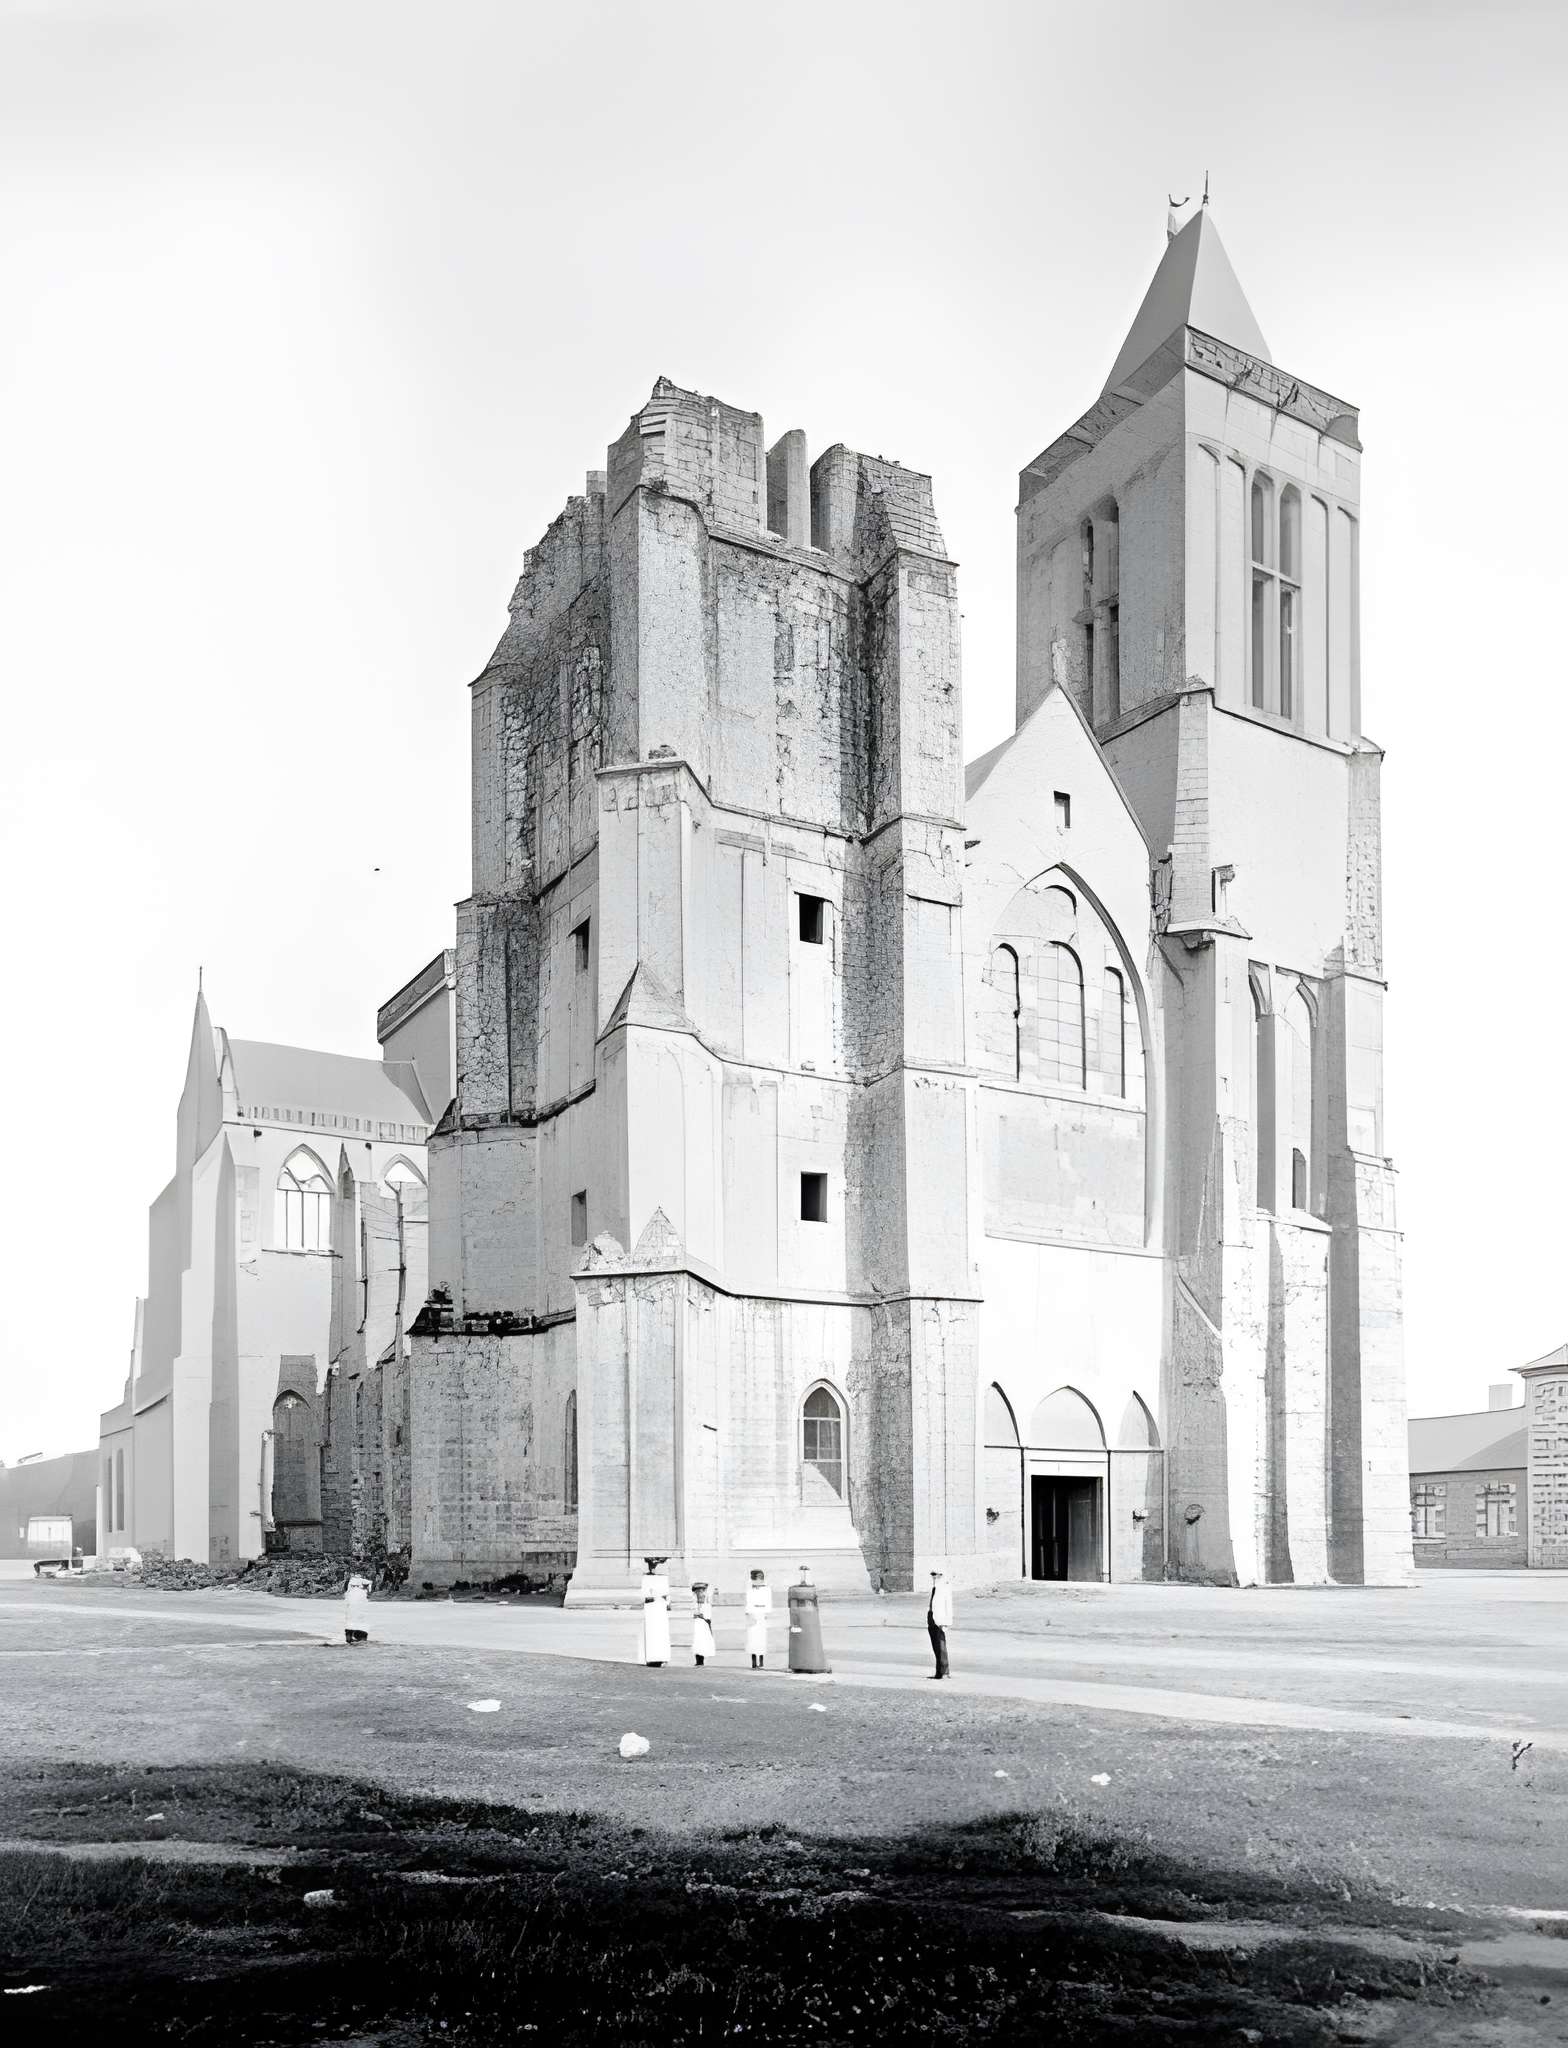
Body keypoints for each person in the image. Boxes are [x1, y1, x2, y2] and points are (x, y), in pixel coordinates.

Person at [639, 1556, 671, 1667]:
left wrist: (666, 1602)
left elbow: (666, 1594)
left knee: (660, 1632)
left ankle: (661, 1656)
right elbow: (646, 1595)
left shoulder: (662, 1578)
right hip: (653, 1607)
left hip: (659, 1606)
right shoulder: (648, 1578)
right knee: (652, 1631)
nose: (654, 1569)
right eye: (652, 1566)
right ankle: (652, 1657)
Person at [927, 1568, 952, 1679]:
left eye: (935, 1575)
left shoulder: (945, 1588)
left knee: (940, 1647)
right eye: (932, 1575)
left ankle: (942, 1672)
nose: (933, 1577)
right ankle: (940, 1672)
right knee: (936, 1647)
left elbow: (949, 1606)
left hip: (940, 1621)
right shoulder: (936, 1588)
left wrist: (946, 1622)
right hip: (932, 1618)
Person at [744, 1568, 771, 1669]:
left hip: (761, 1615)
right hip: (753, 1615)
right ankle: (754, 1662)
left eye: (761, 1577)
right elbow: (748, 1603)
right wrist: (749, 1614)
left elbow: (767, 1603)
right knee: (752, 1639)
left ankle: (762, 1662)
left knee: (761, 1639)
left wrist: (765, 1612)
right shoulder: (750, 1590)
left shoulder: (766, 1589)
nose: (759, 1580)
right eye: (757, 1577)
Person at [691, 1581, 715, 1666]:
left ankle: (701, 1660)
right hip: (697, 1622)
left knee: (703, 1641)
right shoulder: (694, 1602)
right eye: (698, 1591)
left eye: (701, 1590)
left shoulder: (706, 1602)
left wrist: (704, 1617)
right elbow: (693, 1612)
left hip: (704, 1622)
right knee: (697, 1641)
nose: (699, 1593)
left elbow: (708, 1613)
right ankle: (698, 1660)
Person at [343, 1571, 371, 1645]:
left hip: (352, 1608)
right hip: (357, 1609)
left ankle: (350, 1637)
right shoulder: (361, 1584)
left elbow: (346, 1592)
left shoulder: (350, 1583)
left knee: (351, 1620)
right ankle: (355, 1637)